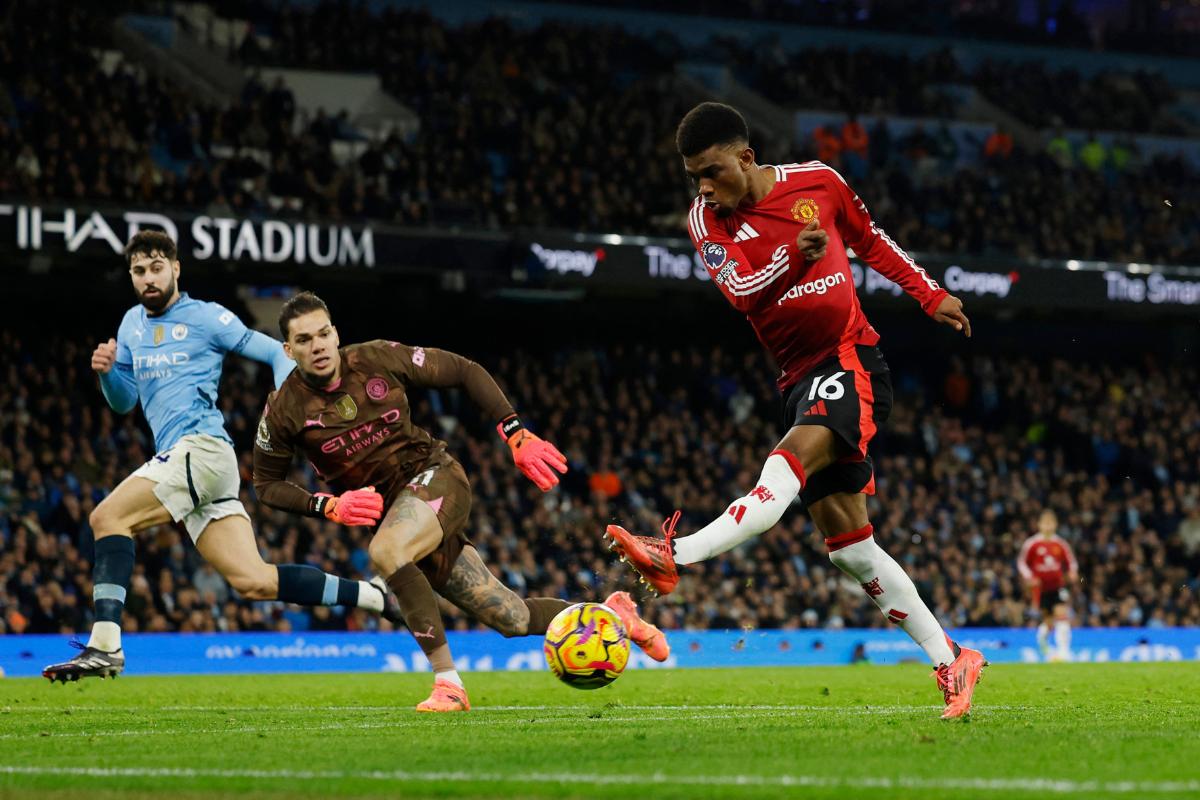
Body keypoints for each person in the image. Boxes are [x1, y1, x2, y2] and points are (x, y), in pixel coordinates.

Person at [606, 102, 986, 720]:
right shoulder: (708, 220)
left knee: (781, 469)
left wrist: (930, 294)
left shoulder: (819, 182)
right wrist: (795, 259)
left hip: (851, 360)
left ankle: (677, 555)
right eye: (693, 175)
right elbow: (742, 294)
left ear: (746, 157)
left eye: (712, 171)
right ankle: (952, 658)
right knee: (850, 549)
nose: (704, 186)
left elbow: (870, 240)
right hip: (797, 378)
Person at [251, 291, 668, 712]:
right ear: (288, 349)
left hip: (435, 477)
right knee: (512, 616)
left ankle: (448, 684)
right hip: (400, 514)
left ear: (336, 333)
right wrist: (327, 506)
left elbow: (463, 370)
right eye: (304, 340)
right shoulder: (284, 409)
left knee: (386, 551)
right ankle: (614, 615)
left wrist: (515, 431)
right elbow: (266, 485)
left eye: (324, 333)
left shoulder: (376, 359)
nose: (318, 345)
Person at [43, 232, 400, 683]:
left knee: (106, 518)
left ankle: (105, 644)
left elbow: (272, 349)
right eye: (139, 271)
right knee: (254, 581)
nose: (149, 278)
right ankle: (371, 596)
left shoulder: (207, 317)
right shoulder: (130, 324)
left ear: (176, 268)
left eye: (157, 268)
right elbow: (123, 402)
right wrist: (109, 373)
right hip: (187, 460)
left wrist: (295, 406)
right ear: (131, 277)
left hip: (202, 449)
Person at [1018, 509, 1078, 661]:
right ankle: (1043, 642)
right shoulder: (1032, 543)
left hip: (1058, 585)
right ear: (1039, 525)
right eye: (1045, 523)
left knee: (1061, 614)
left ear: (1055, 525)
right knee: (1048, 622)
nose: (1048, 526)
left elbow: (1071, 561)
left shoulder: (1060, 543)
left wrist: (1072, 572)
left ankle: (1064, 652)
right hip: (1041, 588)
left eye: (1050, 523)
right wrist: (1030, 577)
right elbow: (1022, 563)